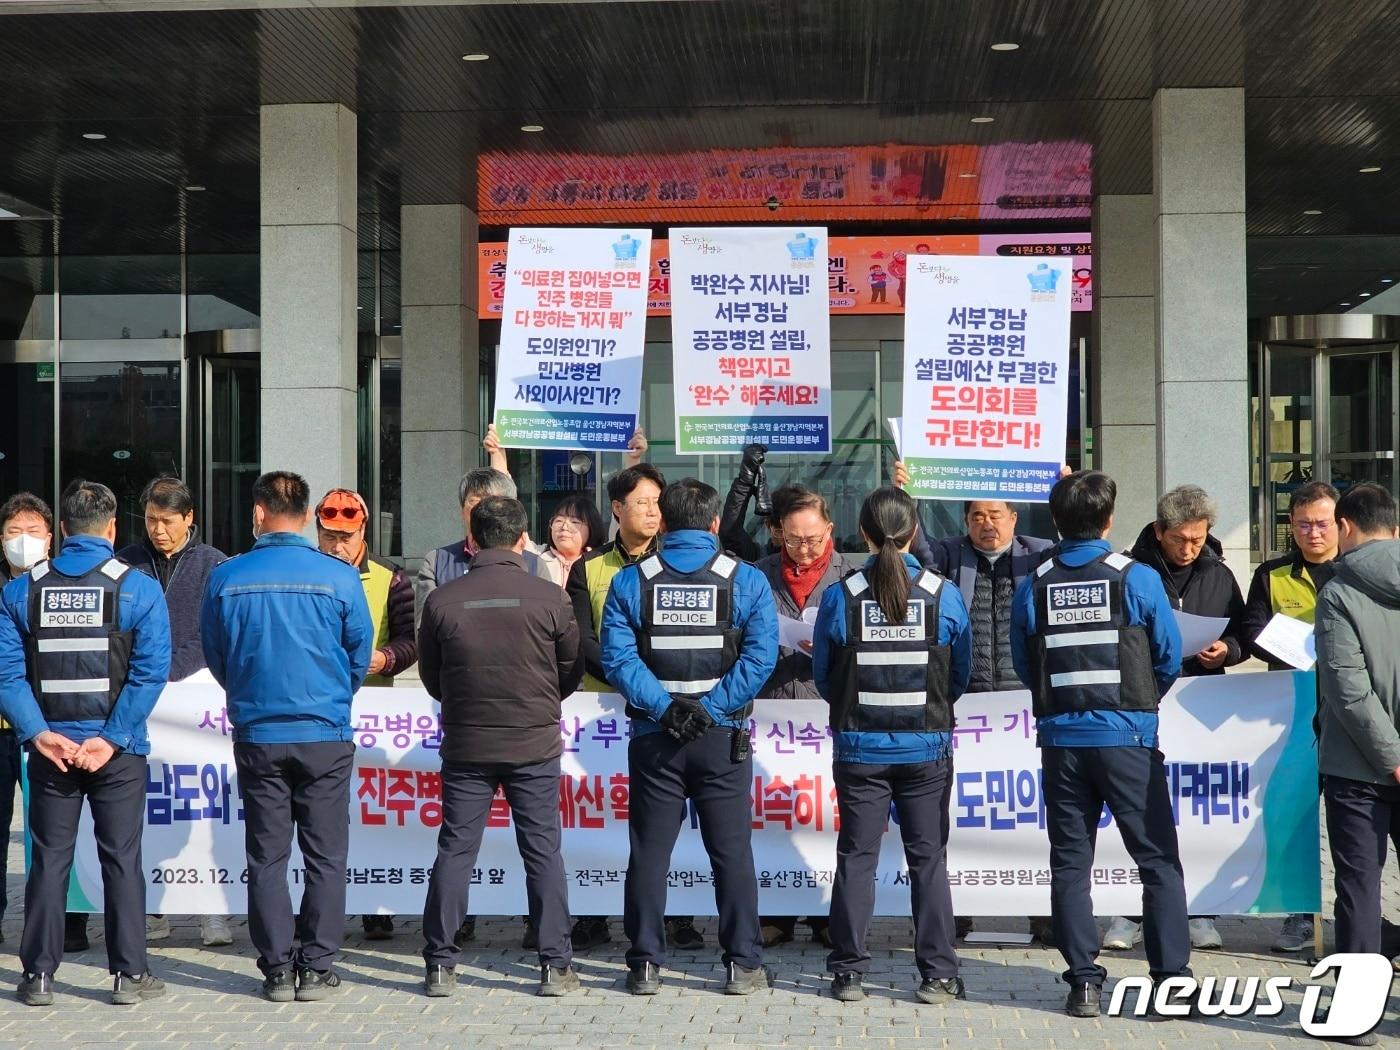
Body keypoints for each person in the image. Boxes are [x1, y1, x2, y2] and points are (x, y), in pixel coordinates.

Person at [1010, 470, 1189, 1020]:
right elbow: (1167, 654)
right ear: (1109, 520)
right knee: (1156, 860)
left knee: (1069, 863)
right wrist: (1137, 702)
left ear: (1055, 523)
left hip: (1061, 742)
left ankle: (1083, 982)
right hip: (1128, 739)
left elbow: (1025, 662)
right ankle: (1170, 983)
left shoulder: (1034, 582)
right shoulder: (1136, 578)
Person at [200, 471, 372, 1003]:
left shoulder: (228, 577)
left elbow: (217, 656)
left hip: (258, 733)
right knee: (326, 855)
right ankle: (317, 967)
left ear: (258, 513)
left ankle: (276, 968)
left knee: (266, 856)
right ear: (307, 515)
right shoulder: (340, 576)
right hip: (324, 732)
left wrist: (252, 697)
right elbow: (358, 657)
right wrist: (330, 698)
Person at [601, 478, 778, 996]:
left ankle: (644, 965)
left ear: (665, 522)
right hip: (721, 739)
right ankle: (743, 963)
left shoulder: (632, 581)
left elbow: (618, 658)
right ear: (715, 524)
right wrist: (712, 709)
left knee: (650, 853)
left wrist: (666, 708)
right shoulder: (744, 579)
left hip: (656, 738)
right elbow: (760, 658)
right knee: (732, 852)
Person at [0, 479, 172, 1007]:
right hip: (117, 753)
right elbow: (150, 674)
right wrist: (112, 739)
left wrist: (39, 733)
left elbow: (7, 675)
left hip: (50, 751)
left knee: (49, 861)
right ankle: (129, 976)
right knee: (122, 858)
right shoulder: (139, 588)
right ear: (113, 528)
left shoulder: (20, 590)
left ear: (65, 530)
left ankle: (39, 978)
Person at [418, 496, 583, 998]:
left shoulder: (442, 600)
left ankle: (440, 965)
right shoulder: (551, 597)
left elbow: (432, 678)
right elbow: (570, 672)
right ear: (521, 540)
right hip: (534, 741)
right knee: (543, 853)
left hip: (468, 743)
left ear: (474, 539)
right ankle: (555, 966)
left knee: (455, 850)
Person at [812, 486, 972, 1004]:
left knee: (856, 857)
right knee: (928, 860)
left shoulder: (841, 595)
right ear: (913, 532)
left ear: (862, 534)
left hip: (859, 749)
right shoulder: (944, 594)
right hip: (926, 749)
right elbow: (959, 674)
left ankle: (848, 972)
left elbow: (824, 677)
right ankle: (938, 975)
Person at [1102, 484, 1247, 954]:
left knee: (1194, 807)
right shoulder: (1130, 570)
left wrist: (1228, 649)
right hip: (1140, 704)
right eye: (1181, 538)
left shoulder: (1220, 575)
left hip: (1203, 706)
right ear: (1159, 530)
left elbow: (1244, 629)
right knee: (1138, 811)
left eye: (1198, 539)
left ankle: (1200, 909)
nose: (1190, 548)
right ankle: (1128, 910)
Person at [568, 463, 705, 952]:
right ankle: (591, 914)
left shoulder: (685, 563)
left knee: (675, 824)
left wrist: (650, 689)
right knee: (599, 815)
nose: (652, 511)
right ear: (618, 509)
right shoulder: (590, 567)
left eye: (657, 502)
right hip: (602, 711)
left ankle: (680, 917)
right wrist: (630, 680)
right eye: (642, 502)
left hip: (667, 713)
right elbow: (582, 637)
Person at [117, 475, 232, 948]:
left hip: (197, 702)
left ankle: (211, 912)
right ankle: (153, 910)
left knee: (204, 811)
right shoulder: (126, 563)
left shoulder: (215, 565)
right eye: (150, 520)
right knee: (145, 811)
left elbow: (215, 632)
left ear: (189, 518)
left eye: (167, 521)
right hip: (138, 701)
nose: (157, 530)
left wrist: (172, 668)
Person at [932, 499, 1054, 945]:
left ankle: (1044, 912)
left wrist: (1066, 491)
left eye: (995, 515)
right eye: (977, 517)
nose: (987, 525)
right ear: (966, 522)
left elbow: (1085, 541)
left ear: (1014, 519)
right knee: (962, 814)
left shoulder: (1037, 554)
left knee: (1032, 816)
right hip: (970, 707)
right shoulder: (949, 555)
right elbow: (915, 546)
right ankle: (959, 912)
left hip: (1023, 708)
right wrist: (905, 493)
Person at [752, 486, 858, 948]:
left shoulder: (851, 577)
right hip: (773, 712)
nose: (803, 549)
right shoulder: (758, 575)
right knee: (778, 813)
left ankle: (827, 913)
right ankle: (777, 912)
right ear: (779, 533)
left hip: (827, 710)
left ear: (829, 530)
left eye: (813, 539)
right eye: (793, 540)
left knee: (829, 816)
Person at [1315, 481, 1400, 1049]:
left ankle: (1358, 1012)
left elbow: (1349, 692)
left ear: (1345, 526)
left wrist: (1393, 758)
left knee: (1359, 888)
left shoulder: (1339, 591)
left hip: (1356, 771)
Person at [313, 487, 417, 941]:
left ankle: (376, 905)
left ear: (363, 532)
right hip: (317, 710)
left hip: (374, 714)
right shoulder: (306, 574)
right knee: (320, 818)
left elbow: (412, 640)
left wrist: (387, 658)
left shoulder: (393, 579)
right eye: (328, 535)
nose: (337, 545)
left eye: (346, 536)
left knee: (372, 814)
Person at [1241, 479, 1339, 954]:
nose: (1312, 533)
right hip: (1294, 713)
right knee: (1294, 816)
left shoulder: (1357, 571)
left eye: (1321, 523)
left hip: (1349, 713)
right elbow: (1252, 629)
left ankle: (1359, 916)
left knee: (1351, 823)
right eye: (1303, 524)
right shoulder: (1273, 573)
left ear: (1339, 523)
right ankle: (1301, 916)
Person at [536, 494, 606, 589]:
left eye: (574, 522)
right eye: (559, 521)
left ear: (592, 527)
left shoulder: (603, 562)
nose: (564, 527)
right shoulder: (536, 559)